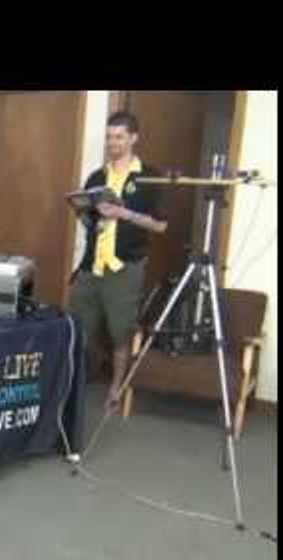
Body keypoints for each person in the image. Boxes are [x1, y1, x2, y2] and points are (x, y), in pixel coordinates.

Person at [70, 111, 168, 412]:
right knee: (77, 329)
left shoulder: (149, 177)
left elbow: (160, 225)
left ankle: (115, 389)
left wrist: (124, 214)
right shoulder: (96, 177)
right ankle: (74, 382)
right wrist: (88, 216)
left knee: (120, 333)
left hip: (125, 268)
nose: (113, 143)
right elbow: (86, 218)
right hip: (91, 266)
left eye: (119, 137)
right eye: (110, 137)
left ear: (133, 138)